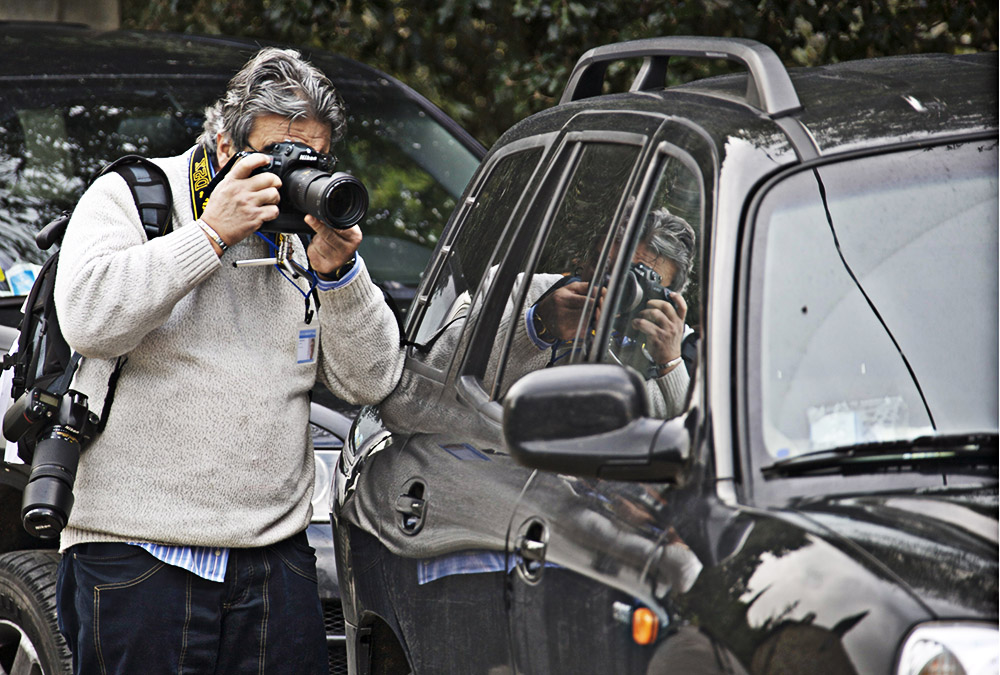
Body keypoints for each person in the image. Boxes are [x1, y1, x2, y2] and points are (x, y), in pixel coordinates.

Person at [52, 48, 403, 674]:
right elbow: (88, 319)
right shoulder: (135, 197)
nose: (296, 174)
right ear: (222, 145)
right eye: (276, 155)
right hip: (137, 559)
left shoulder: (308, 231)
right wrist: (211, 234)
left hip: (275, 564)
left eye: (313, 158)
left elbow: (370, 380)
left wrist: (339, 272)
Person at [493, 206, 697, 418]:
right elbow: (459, 380)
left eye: (636, 280)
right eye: (606, 267)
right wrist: (536, 327)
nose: (611, 285)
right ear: (588, 259)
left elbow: (683, 441)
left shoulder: (678, 353)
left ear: (669, 299)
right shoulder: (527, 291)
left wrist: (669, 364)